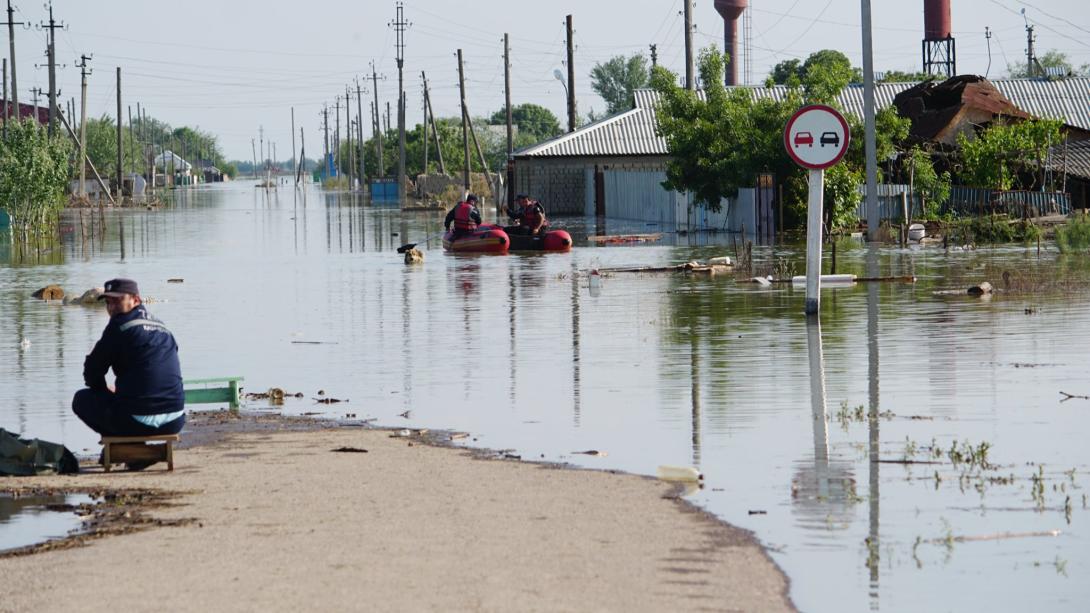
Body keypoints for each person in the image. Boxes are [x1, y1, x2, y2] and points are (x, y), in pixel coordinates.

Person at [73, 279, 185, 463]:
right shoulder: (162, 326)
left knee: (81, 399)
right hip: (175, 419)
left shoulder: (119, 325)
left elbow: (92, 372)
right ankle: (134, 450)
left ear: (136, 300)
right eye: (108, 302)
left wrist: (102, 390)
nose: (112, 307)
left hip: (136, 420)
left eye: (117, 300)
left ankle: (131, 450)